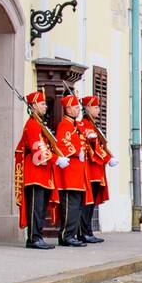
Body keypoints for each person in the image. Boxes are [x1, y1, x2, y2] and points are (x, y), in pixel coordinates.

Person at [14, 90, 57, 250]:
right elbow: (37, 149)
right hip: (34, 172)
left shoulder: (39, 124)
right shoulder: (32, 124)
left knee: (40, 207)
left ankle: (38, 236)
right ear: (33, 106)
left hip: (42, 173)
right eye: (42, 103)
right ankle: (33, 238)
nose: (45, 106)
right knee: (35, 208)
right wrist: (56, 158)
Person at [52, 95, 93, 248]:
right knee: (71, 205)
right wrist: (76, 151)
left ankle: (71, 234)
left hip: (78, 171)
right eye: (75, 107)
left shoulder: (75, 125)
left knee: (76, 205)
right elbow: (62, 144)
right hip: (70, 172)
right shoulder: (64, 125)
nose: (78, 110)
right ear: (68, 108)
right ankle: (66, 235)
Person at [77, 95, 117, 243]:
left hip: (97, 168)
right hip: (91, 168)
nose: (98, 110)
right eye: (95, 107)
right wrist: (107, 158)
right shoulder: (85, 125)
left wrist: (108, 156)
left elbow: (101, 145)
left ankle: (88, 231)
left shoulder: (93, 125)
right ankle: (84, 232)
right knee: (87, 204)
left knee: (91, 203)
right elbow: (93, 148)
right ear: (87, 108)